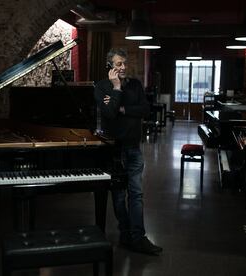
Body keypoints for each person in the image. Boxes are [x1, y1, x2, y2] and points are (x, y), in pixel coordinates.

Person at [94, 48, 162, 255]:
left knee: (136, 194)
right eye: (118, 64)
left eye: (124, 63)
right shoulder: (102, 87)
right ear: (109, 66)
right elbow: (108, 112)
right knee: (117, 196)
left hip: (134, 147)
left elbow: (145, 109)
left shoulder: (135, 85)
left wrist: (124, 109)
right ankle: (125, 233)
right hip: (114, 150)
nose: (123, 67)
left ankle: (138, 237)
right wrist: (116, 88)